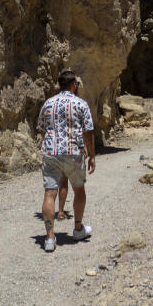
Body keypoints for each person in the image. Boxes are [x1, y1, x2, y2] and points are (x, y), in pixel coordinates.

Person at [36, 70, 96, 252]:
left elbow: (40, 128)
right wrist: (92, 154)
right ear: (74, 85)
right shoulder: (80, 103)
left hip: (51, 153)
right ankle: (77, 229)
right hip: (74, 153)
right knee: (79, 190)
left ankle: (49, 238)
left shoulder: (48, 103)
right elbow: (88, 131)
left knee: (49, 194)